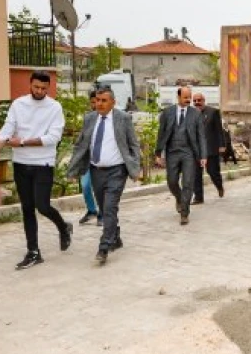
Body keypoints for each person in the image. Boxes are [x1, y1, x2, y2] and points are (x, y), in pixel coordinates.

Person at [0, 70, 72, 269]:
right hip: (21, 164)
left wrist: (22, 142)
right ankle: (33, 252)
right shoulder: (18, 104)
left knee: (43, 206)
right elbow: (6, 131)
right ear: (30, 85)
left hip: (43, 164)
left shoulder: (54, 107)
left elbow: (53, 138)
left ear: (48, 88)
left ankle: (63, 226)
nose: (39, 91)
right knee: (27, 209)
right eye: (36, 87)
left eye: (43, 88)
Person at [68, 88, 142, 265]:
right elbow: (80, 145)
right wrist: (72, 170)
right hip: (95, 170)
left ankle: (104, 246)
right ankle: (115, 236)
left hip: (117, 171)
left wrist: (135, 168)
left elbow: (133, 144)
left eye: (103, 101)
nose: (99, 104)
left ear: (113, 103)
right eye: (98, 100)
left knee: (109, 207)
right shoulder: (90, 119)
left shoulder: (123, 118)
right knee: (104, 207)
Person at [155, 86, 208, 225]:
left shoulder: (196, 114)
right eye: (185, 97)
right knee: (172, 181)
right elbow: (161, 134)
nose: (188, 100)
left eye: (189, 97)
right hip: (172, 152)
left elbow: (201, 136)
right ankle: (179, 198)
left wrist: (203, 156)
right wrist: (158, 153)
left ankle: (184, 212)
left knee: (188, 183)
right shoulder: (167, 112)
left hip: (189, 153)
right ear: (178, 97)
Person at [192, 92, 226, 203]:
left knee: (213, 172)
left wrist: (221, 145)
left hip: (210, 148)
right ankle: (198, 197)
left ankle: (219, 186)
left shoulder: (213, 112)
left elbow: (219, 130)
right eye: (195, 101)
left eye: (199, 100)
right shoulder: (190, 114)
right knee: (196, 175)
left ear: (204, 101)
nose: (197, 103)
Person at [78, 90, 100, 226]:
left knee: (100, 188)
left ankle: (103, 214)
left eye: (97, 101)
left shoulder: (112, 117)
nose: (95, 105)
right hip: (88, 159)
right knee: (85, 185)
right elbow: (82, 138)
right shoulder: (88, 118)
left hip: (102, 160)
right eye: (92, 102)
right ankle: (92, 210)